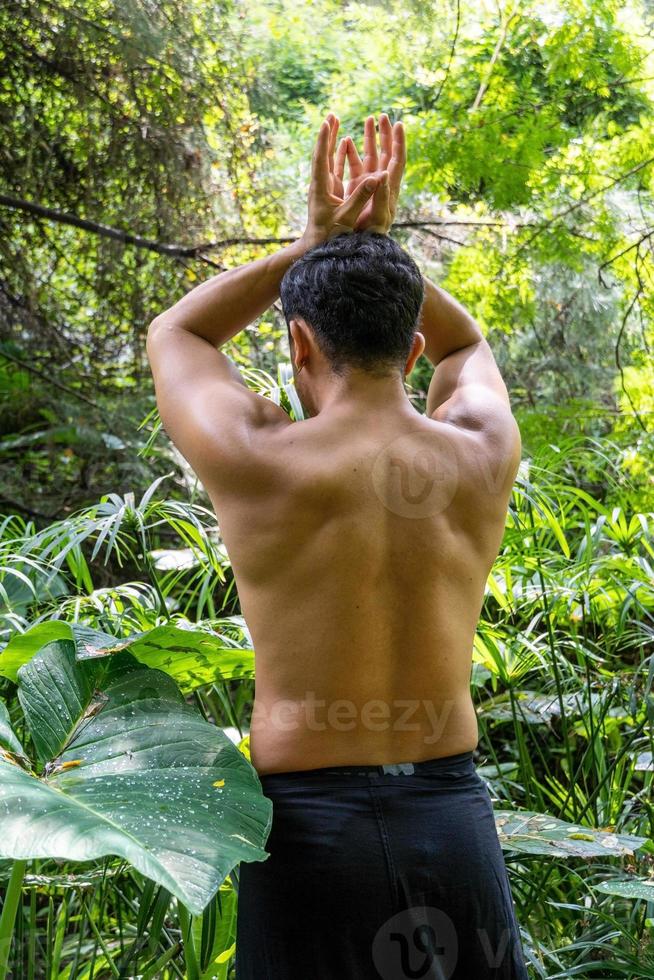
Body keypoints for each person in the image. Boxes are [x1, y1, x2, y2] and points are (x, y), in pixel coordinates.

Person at [146, 112, 528, 980]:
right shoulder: (478, 451)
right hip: (451, 820)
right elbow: (468, 343)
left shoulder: (261, 459)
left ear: (298, 343)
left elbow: (178, 334)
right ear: (413, 345)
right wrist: (377, 254)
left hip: (308, 835)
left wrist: (311, 248)